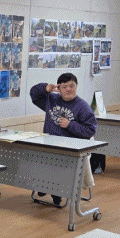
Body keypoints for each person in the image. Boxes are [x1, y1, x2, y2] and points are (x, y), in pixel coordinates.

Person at [30, 73, 97, 205]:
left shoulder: (82, 107)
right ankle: (43, 185)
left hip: (69, 149)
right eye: (64, 87)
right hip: (49, 145)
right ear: (58, 88)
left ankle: (55, 192)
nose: (68, 89)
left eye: (72, 86)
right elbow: (34, 94)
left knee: (56, 165)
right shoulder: (52, 99)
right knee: (36, 157)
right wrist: (45, 88)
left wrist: (70, 125)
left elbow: (90, 130)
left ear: (76, 86)